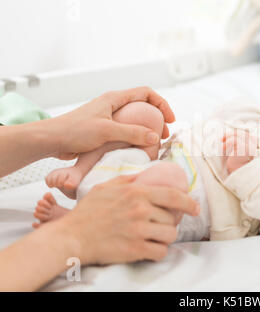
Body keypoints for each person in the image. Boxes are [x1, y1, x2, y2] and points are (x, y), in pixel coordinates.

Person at [34, 100, 260, 243]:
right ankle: (81, 174)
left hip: (187, 200)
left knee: (167, 183)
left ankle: (80, 218)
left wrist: (243, 169)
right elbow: (226, 114)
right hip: (162, 156)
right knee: (143, 117)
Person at [0, 87, 200, 291]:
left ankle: (80, 174)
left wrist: (57, 132)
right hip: (162, 186)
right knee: (169, 176)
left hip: (141, 164)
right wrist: (76, 234)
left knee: (145, 114)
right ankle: (77, 206)